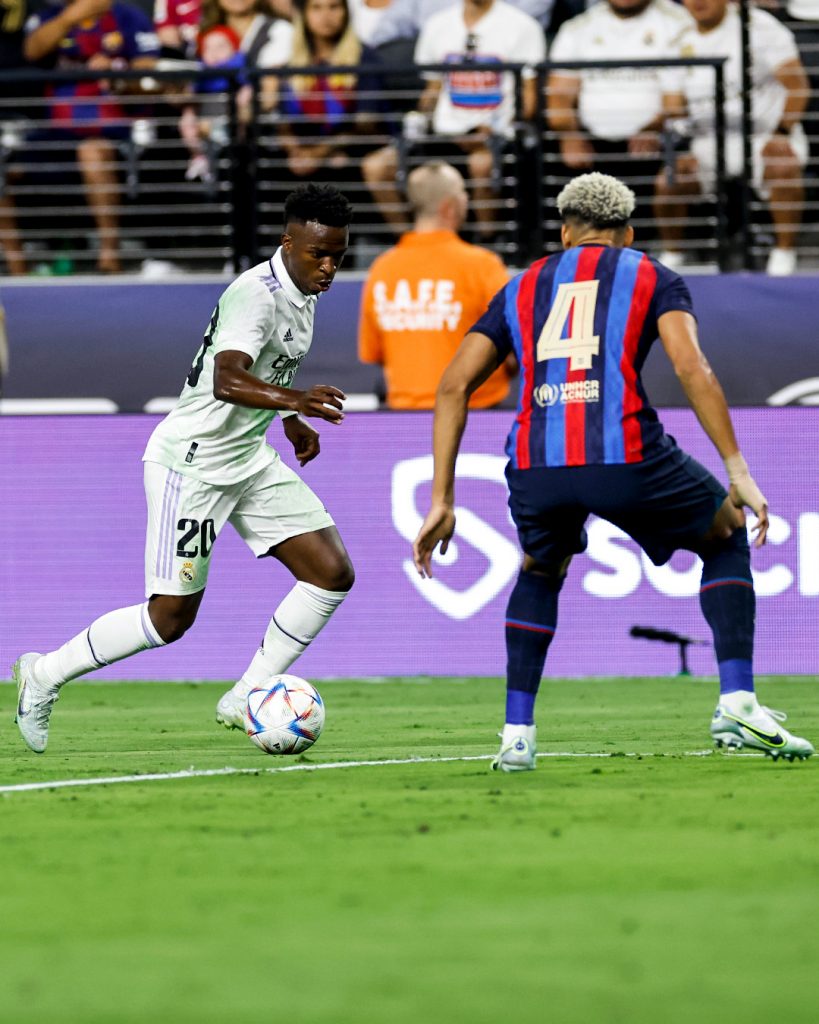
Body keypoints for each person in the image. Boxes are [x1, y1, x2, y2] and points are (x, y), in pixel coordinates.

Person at [412, 171, 814, 772]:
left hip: (536, 462)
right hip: (625, 454)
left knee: (540, 570)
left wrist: (441, 497)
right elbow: (692, 367)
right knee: (726, 534)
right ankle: (736, 701)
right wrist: (738, 468)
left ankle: (516, 737)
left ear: (565, 229)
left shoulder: (521, 286)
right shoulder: (652, 275)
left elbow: (452, 385)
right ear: (626, 234)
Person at [12, 184, 355, 754]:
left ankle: (246, 693)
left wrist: (289, 421)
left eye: (339, 255)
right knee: (169, 619)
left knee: (330, 571)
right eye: (318, 253)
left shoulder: (304, 292)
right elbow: (226, 379)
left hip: (246, 459)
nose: (329, 266)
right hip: (191, 465)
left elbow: (269, 368)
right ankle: (43, 675)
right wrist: (294, 403)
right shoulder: (257, 295)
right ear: (287, 241)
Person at [0, 0, 160, 274]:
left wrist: (115, 69)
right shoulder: (50, 15)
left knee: (91, 153)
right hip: (58, 132)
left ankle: (109, 258)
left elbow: (149, 67)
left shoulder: (126, 15)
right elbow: (32, 49)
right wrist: (70, 18)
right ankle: (18, 269)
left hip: (112, 131)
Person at [362, 0, 546, 238]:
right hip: (442, 134)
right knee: (377, 167)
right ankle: (413, 242)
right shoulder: (438, 24)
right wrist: (417, 124)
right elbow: (433, 89)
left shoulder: (523, 26)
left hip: (495, 136)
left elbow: (528, 102)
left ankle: (486, 246)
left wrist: (498, 130)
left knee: (482, 164)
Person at [654, 0, 809, 276]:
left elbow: (798, 86)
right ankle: (673, 256)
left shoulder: (759, 26)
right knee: (669, 180)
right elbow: (674, 105)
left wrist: (782, 133)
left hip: (766, 133)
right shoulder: (676, 38)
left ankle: (785, 252)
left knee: (783, 166)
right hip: (707, 140)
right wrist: (682, 140)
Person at [358, 160, 513, 409]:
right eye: (463, 191)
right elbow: (514, 345)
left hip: (404, 419)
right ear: (449, 207)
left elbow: (374, 353)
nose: (467, 198)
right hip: (477, 414)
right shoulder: (483, 265)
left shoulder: (382, 269)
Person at [546, 0, 693, 232]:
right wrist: (568, 135)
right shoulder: (578, 28)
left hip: (659, 139)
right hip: (592, 143)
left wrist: (654, 128)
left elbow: (680, 99)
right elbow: (559, 96)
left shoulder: (680, 24)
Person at [274, 0, 383, 184]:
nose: (326, 16)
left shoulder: (365, 59)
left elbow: (367, 123)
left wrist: (320, 152)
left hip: (350, 151)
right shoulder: (292, 64)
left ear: (345, 13)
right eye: (316, 8)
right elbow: (283, 121)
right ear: (304, 14)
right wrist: (295, 151)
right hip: (302, 154)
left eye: (334, 7)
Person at [179, 25, 250, 181]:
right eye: (208, 48)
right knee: (187, 120)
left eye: (221, 46)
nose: (214, 52)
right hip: (205, 112)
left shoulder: (239, 67)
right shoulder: (200, 72)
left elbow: (247, 87)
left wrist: (243, 98)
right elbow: (191, 93)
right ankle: (198, 156)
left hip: (229, 112)